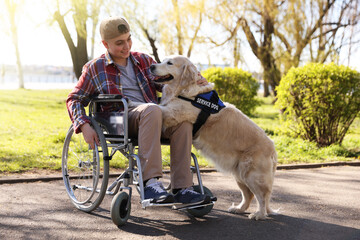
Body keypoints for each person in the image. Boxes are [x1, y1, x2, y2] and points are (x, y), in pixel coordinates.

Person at [66, 16, 209, 205]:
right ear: (105, 44)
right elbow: (74, 99)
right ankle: (150, 183)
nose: (126, 46)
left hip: (153, 115)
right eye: (119, 43)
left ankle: (182, 188)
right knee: (152, 109)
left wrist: (194, 81)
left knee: (182, 123)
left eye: (129, 39)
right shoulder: (95, 68)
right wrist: (83, 125)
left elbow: (169, 84)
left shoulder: (143, 60)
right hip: (119, 120)